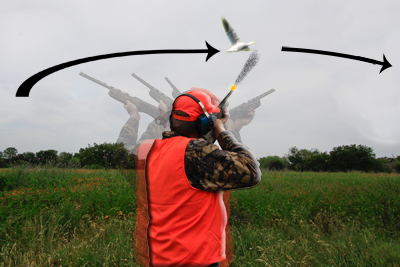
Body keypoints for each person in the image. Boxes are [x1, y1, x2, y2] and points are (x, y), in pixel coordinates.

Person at [143, 89, 261, 266]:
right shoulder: (195, 153)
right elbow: (251, 171)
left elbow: (201, 151)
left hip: (164, 257)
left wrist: (232, 126)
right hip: (195, 259)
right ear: (205, 124)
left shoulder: (157, 149)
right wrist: (222, 130)